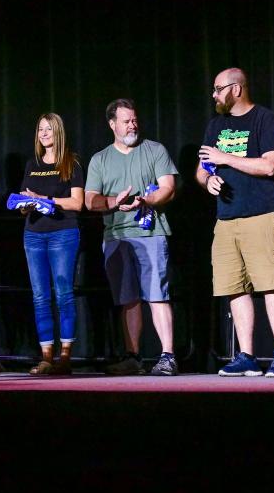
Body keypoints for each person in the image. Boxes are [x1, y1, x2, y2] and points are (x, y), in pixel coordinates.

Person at [196, 68, 274, 377]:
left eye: (218, 89)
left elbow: (269, 165)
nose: (214, 95)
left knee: (271, 284)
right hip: (226, 219)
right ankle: (246, 355)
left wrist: (226, 158)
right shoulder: (215, 126)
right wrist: (208, 179)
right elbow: (201, 168)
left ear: (236, 89)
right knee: (234, 287)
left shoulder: (263, 119)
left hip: (262, 214)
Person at [85, 99, 179, 376]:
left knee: (157, 294)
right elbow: (90, 201)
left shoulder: (154, 150)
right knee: (129, 298)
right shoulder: (100, 159)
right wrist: (115, 201)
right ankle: (133, 357)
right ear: (112, 124)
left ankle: (168, 356)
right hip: (116, 236)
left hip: (151, 233)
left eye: (134, 120)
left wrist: (145, 200)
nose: (132, 125)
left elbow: (169, 188)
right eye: (126, 121)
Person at [17, 113, 85, 375]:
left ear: (58, 132)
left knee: (63, 293)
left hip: (62, 233)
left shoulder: (71, 164)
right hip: (33, 233)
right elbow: (25, 204)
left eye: (48, 129)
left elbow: (77, 203)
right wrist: (26, 203)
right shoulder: (31, 164)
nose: (43, 133)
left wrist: (45, 199)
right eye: (40, 129)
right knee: (39, 296)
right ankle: (46, 356)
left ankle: (65, 355)